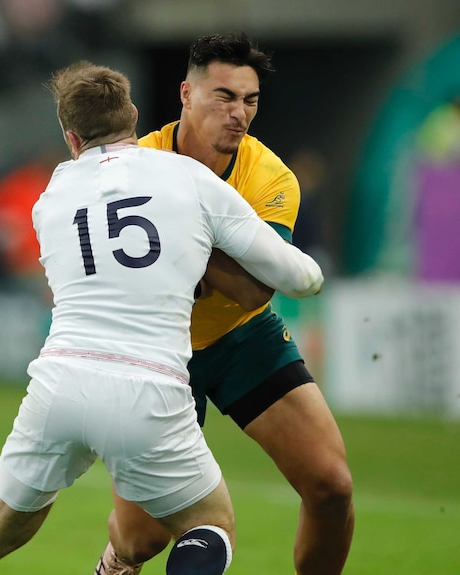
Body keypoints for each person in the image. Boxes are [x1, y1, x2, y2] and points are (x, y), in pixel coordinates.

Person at [0, 61, 323, 575]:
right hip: (148, 386)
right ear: (135, 115)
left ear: (71, 138)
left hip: (58, 385)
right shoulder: (186, 176)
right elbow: (301, 279)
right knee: (210, 527)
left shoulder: (50, 198)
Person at [93, 33, 354, 575]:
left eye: (250, 100)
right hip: (156, 352)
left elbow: (256, 288)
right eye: (224, 97)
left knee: (331, 486)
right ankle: (116, 559)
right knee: (143, 539)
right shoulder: (132, 162)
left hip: (243, 338)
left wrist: (166, 239)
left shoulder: (271, 178)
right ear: (186, 94)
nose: (239, 114)